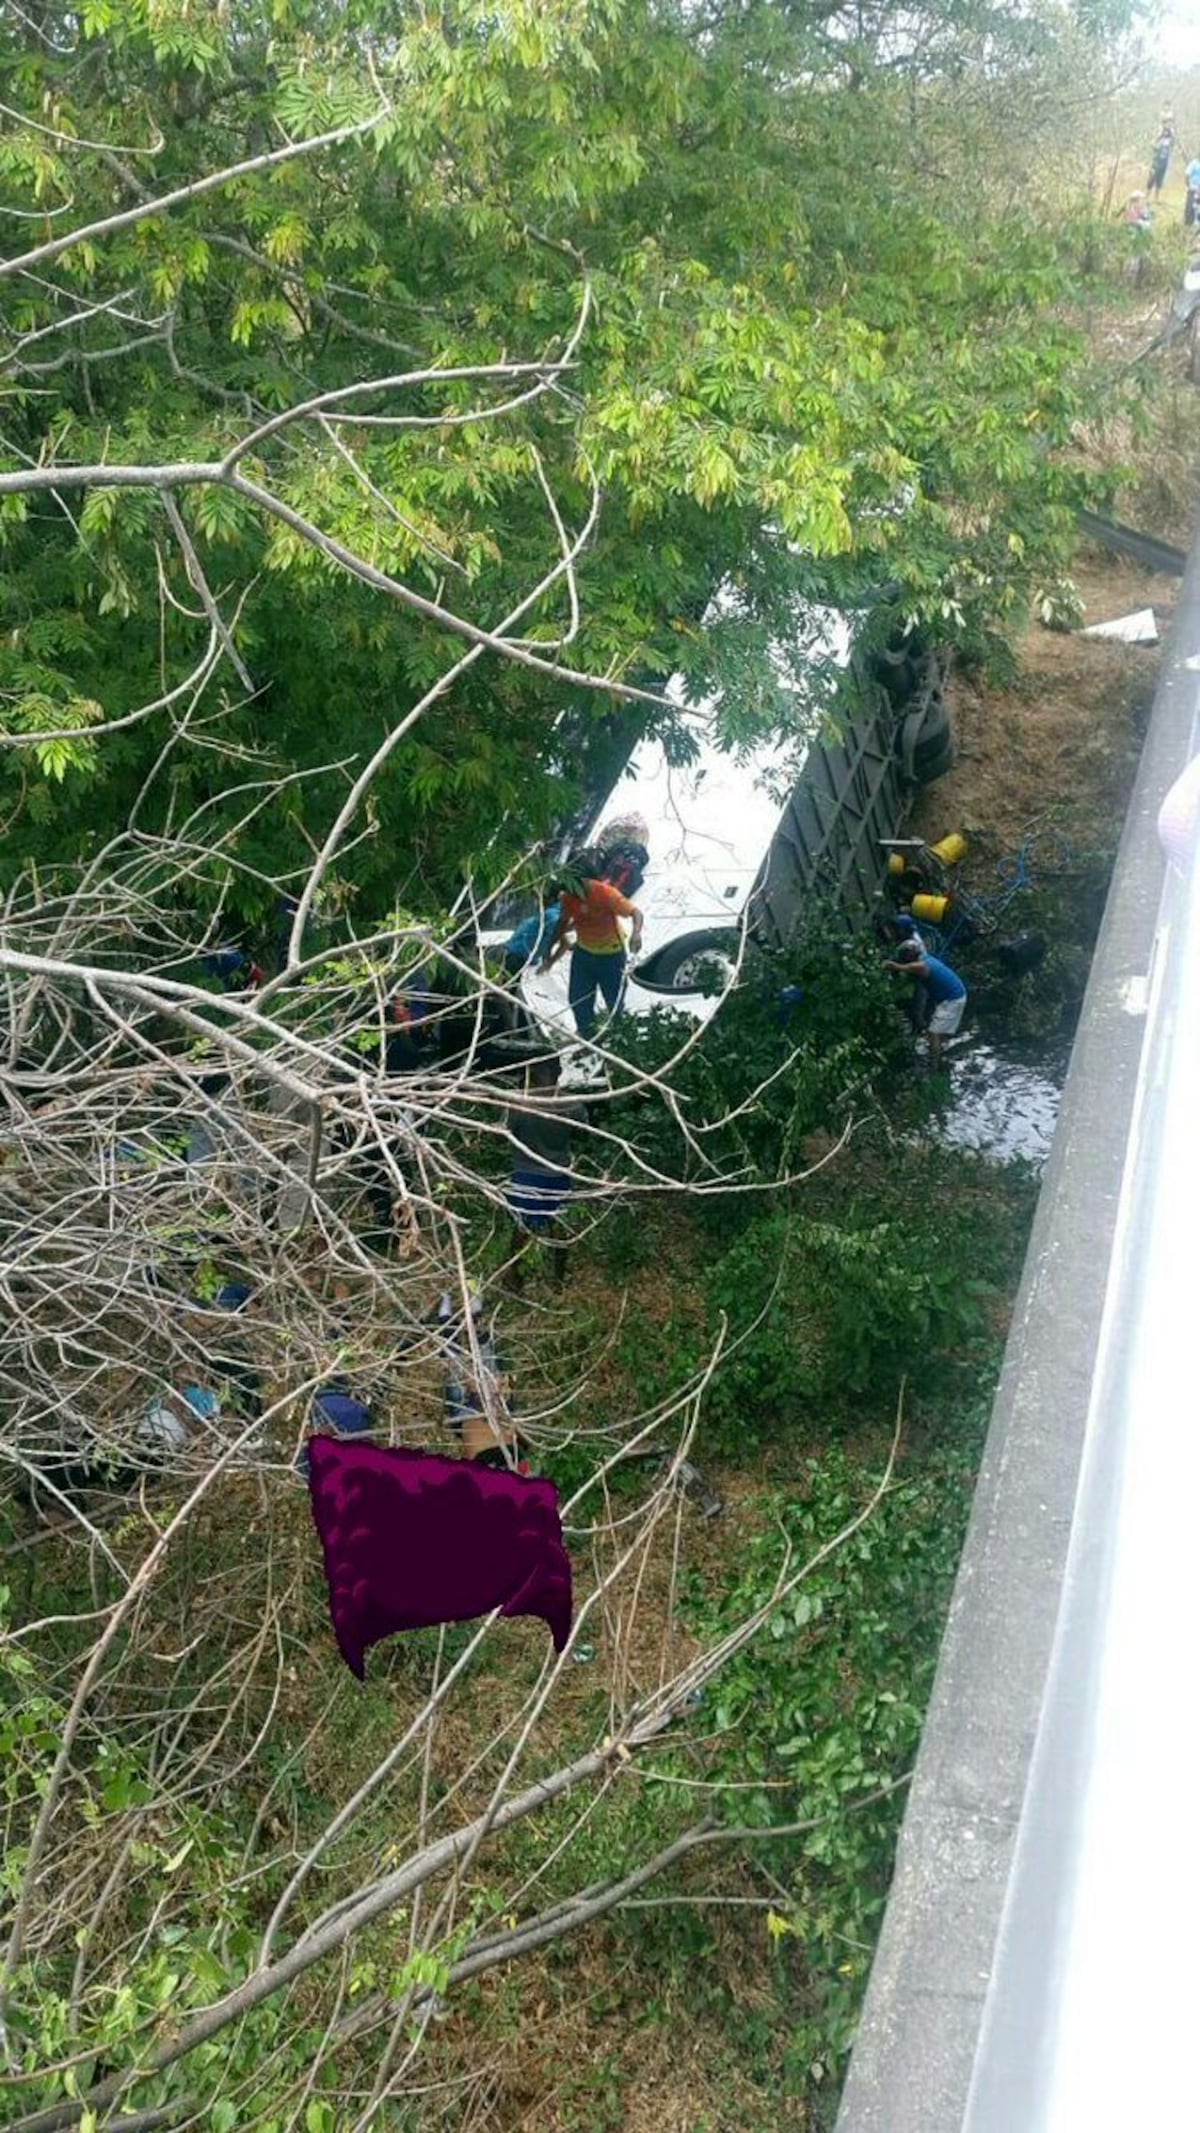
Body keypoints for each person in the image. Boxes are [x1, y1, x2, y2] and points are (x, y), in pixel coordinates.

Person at [541, 853, 644, 1037]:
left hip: (611, 956)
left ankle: (620, 1039)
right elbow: (562, 923)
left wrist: (636, 934)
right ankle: (588, 1038)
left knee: (614, 1001)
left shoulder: (606, 893)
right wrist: (549, 947)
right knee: (578, 1000)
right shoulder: (568, 897)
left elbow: (636, 913)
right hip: (584, 954)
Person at [505, 1052, 586, 1285]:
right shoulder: (571, 1104)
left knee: (522, 1228)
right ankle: (558, 1280)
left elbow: (507, 1134)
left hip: (526, 1174)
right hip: (558, 1174)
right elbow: (582, 1133)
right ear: (558, 1073)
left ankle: (514, 1277)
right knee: (558, 1226)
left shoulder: (519, 1104)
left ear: (532, 1073)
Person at [885, 939, 966, 1071]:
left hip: (952, 999)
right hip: (952, 995)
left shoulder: (921, 966)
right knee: (938, 1031)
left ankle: (934, 1067)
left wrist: (889, 965)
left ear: (910, 955)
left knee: (933, 1033)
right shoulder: (926, 958)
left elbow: (900, 967)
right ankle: (940, 1053)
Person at [1148, 121, 1174, 200]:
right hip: (1156, 161)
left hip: (1164, 162)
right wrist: (1157, 145)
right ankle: (1147, 196)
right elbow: (1152, 144)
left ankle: (1156, 198)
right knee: (1152, 178)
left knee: (1160, 180)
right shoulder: (1159, 137)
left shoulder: (1171, 138)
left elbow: (1171, 148)